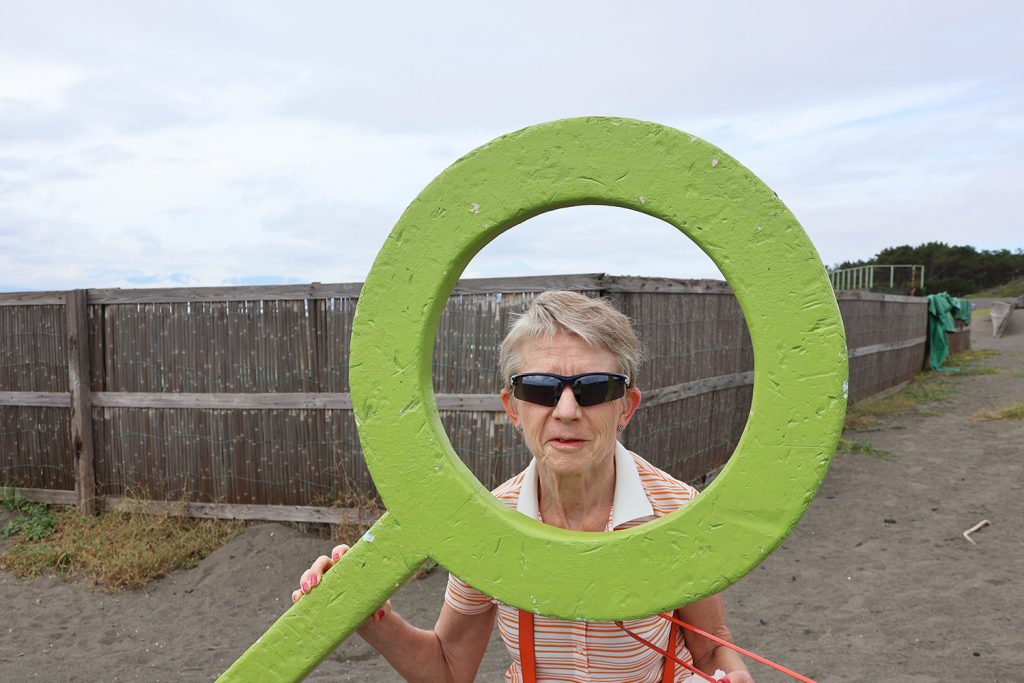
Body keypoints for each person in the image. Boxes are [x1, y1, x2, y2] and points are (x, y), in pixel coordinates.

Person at [293, 291, 754, 683]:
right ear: (513, 408)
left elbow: (711, 648)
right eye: (539, 388)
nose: (567, 411)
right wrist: (370, 617)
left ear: (626, 407)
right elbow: (449, 668)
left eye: (595, 387)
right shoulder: (489, 522)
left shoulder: (678, 510)